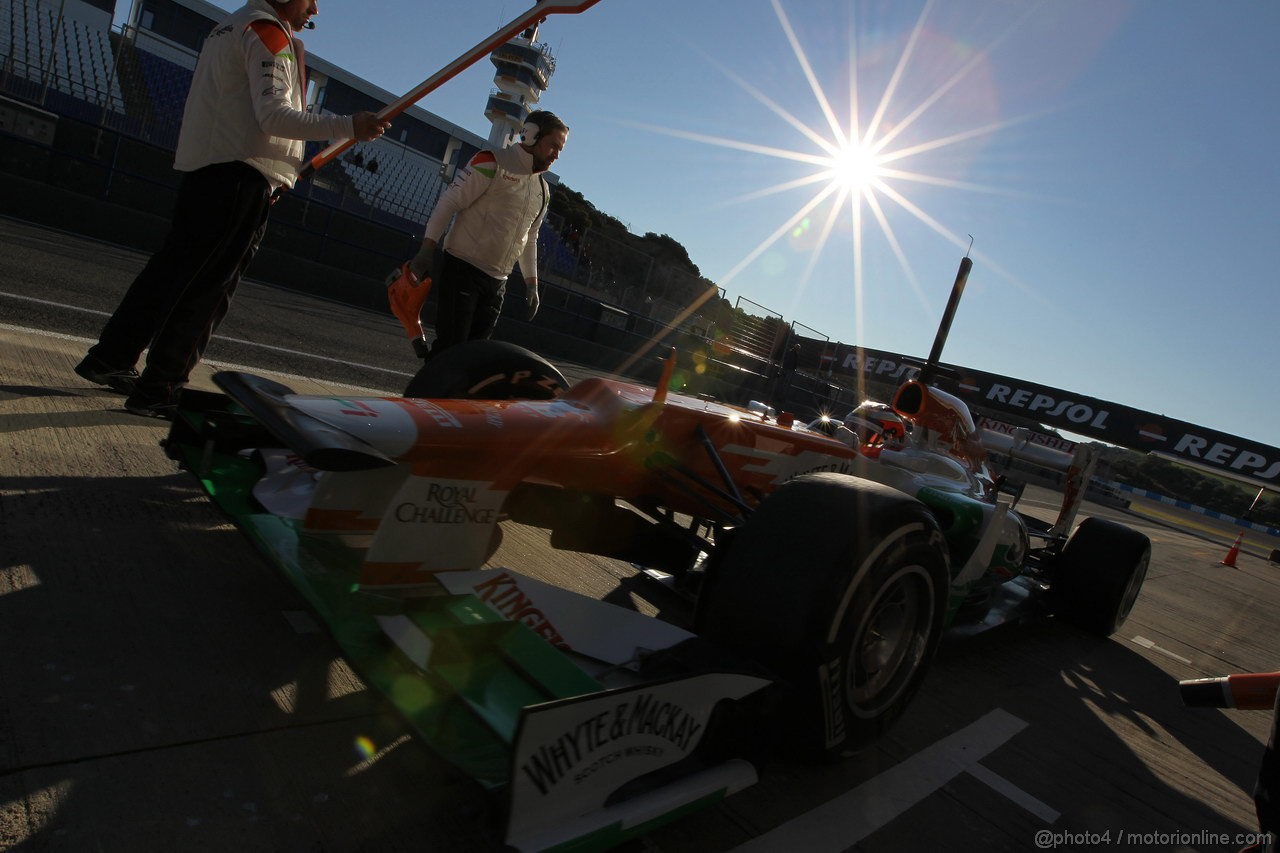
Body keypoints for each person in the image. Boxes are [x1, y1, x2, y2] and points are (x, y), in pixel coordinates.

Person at [74, 0, 390, 417]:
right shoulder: (268, 33)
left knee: (169, 274)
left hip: (210, 168)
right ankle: (160, 388)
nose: (314, 8)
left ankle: (111, 357)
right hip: (238, 176)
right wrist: (349, 126)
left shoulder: (229, 27)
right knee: (208, 288)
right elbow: (275, 116)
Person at [392, 110, 567, 358]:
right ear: (531, 136)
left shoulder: (543, 190)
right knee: (451, 353)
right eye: (553, 146)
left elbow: (531, 239)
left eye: (561, 150)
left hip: (498, 283)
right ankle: (428, 393)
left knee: (473, 358)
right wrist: (426, 250)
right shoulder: (491, 161)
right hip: (462, 269)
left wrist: (531, 284)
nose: (557, 155)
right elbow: (448, 203)